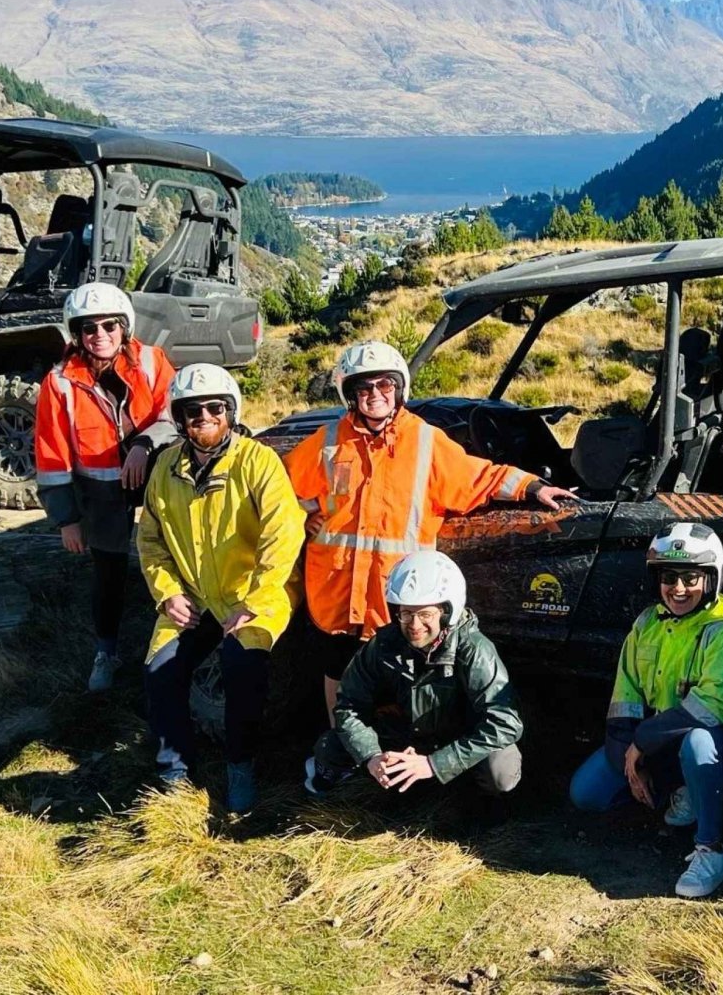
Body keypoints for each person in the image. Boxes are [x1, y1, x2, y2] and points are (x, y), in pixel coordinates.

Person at [285, 342, 576, 721]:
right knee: (338, 672)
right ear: (350, 394)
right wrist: (302, 517)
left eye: (384, 385)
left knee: (397, 678)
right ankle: (343, 749)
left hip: (397, 593)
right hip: (336, 592)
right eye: (364, 388)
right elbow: (282, 489)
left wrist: (532, 486)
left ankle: (390, 755)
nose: (375, 395)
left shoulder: (424, 441)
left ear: (399, 388)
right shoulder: (326, 442)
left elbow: (478, 477)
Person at [137, 364, 305, 814]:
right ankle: (174, 772)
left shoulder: (257, 462)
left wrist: (253, 601)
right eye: (192, 411)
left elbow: (284, 533)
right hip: (192, 595)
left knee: (241, 666)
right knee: (160, 669)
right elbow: (150, 541)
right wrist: (167, 593)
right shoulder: (165, 468)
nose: (204, 417)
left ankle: (240, 766)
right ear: (179, 418)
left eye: (214, 408)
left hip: (256, 594)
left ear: (230, 411)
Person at [568, 523, 723, 898]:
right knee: (585, 793)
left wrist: (642, 743)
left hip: (712, 746)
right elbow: (626, 694)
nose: (679, 588)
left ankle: (711, 847)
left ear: (710, 579)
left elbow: (714, 706)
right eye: (670, 576)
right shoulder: (646, 624)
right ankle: (666, 794)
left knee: (699, 744)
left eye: (690, 577)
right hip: (654, 744)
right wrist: (630, 760)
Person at [34, 281, 176, 692]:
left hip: (154, 476)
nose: (100, 335)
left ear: (123, 327)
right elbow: (51, 454)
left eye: (109, 326)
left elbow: (173, 409)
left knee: (175, 557)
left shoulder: (151, 361)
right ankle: (106, 651)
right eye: (89, 328)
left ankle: (179, 638)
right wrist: (67, 520)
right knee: (109, 572)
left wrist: (146, 444)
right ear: (76, 334)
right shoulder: (59, 382)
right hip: (99, 492)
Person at [306, 550, 523, 798]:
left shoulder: (475, 650)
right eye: (406, 614)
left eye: (425, 614)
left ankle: (478, 804)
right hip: (405, 735)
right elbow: (348, 705)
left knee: (500, 768)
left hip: (456, 739)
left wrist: (435, 764)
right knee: (330, 746)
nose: (415, 625)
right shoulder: (384, 644)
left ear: (446, 612)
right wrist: (372, 756)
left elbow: (504, 722)